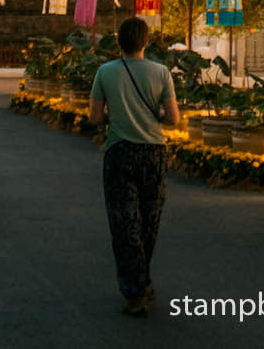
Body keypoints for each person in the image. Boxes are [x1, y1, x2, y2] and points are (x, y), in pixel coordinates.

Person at [89, 16, 179, 316]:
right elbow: (173, 119)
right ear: (146, 41)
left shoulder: (105, 72)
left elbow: (95, 117)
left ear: (119, 43)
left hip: (119, 152)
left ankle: (135, 289)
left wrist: (118, 113)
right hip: (154, 153)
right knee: (147, 222)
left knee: (124, 224)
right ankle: (143, 281)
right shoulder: (161, 72)